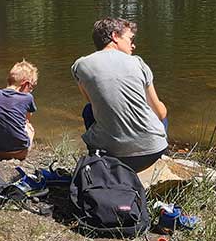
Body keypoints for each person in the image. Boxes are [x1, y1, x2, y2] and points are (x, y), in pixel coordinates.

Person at [71, 18, 168, 172]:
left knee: (89, 110)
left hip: (111, 155)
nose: (133, 45)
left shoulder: (80, 65)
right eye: (130, 39)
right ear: (115, 36)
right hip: (151, 154)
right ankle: (162, 160)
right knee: (160, 113)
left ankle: (98, 160)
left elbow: (93, 102)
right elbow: (160, 113)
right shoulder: (138, 63)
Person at [0, 60, 38, 161]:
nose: (30, 91)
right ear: (26, 84)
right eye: (31, 88)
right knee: (29, 128)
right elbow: (27, 119)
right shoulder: (27, 97)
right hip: (19, 152)